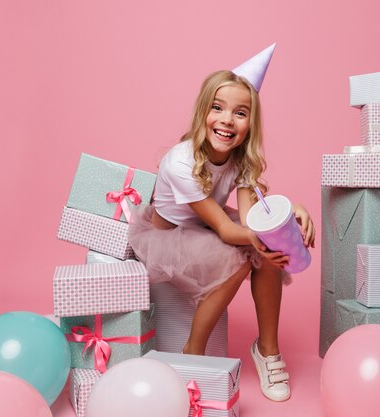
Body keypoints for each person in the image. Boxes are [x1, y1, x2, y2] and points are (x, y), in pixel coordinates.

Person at [128, 44, 315, 402]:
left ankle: (267, 350)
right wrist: (256, 241)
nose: (228, 120)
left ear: (250, 124)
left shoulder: (242, 161)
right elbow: (231, 231)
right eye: (218, 108)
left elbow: (248, 220)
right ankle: (193, 352)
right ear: (203, 113)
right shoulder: (181, 162)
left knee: (265, 246)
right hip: (171, 234)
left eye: (240, 113)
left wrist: (292, 211)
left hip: (208, 227)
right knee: (243, 255)